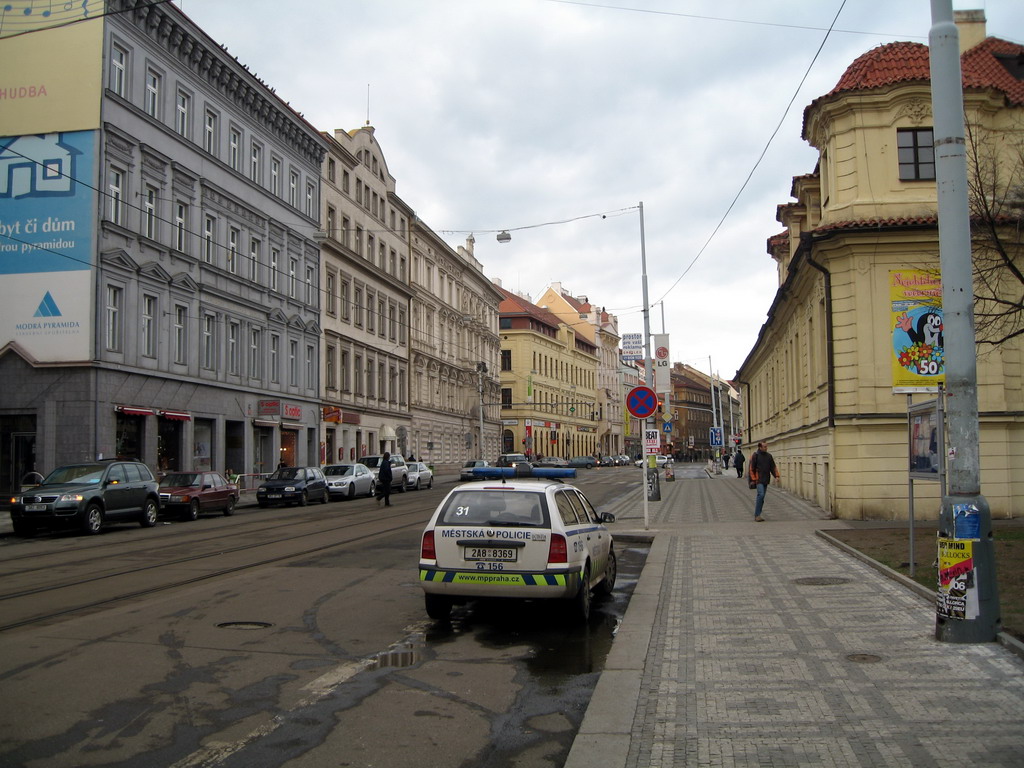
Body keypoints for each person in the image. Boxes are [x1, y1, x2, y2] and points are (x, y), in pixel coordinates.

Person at [748, 441, 780, 522]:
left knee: (762, 498)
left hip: (766, 479)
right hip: (758, 479)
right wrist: (753, 479)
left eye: (766, 446)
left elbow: (773, 467)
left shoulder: (769, 456)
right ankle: (757, 515)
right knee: (761, 495)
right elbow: (751, 468)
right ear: (760, 447)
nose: (766, 448)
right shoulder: (755, 456)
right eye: (765, 446)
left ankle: (758, 514)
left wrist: (776, 476)